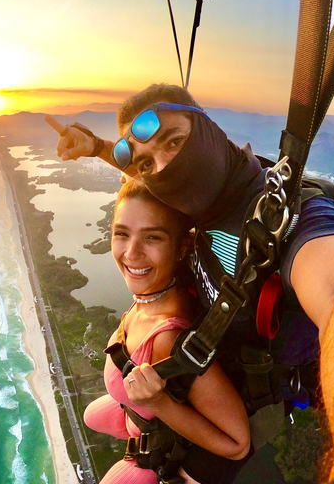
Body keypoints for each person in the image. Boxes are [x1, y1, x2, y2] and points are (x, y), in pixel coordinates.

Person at [46, 84, 334, 482]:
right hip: (213, 374)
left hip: (254, 404)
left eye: (175, 140)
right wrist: (97, 146)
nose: (164, 167)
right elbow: (145, 172)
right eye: (146, 163)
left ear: (209, 130)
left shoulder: (288, 219)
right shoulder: (196, 205)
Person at [83, 178, 252, 484]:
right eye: (122, 233)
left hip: (152, 439)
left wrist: (157, 403)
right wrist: (98, 148)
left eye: (152, 238)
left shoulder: (168, 337)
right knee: (90, 416)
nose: (131, 252)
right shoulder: (158, 289)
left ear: (182, 246)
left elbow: (238, 444)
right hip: (136, 408)